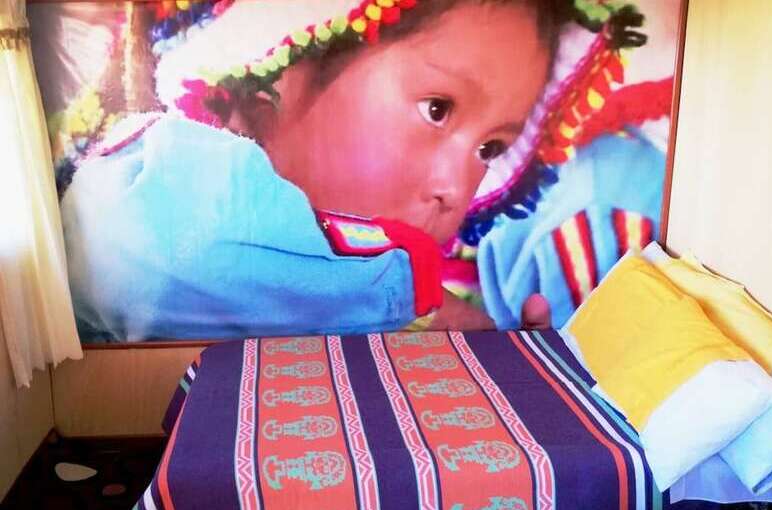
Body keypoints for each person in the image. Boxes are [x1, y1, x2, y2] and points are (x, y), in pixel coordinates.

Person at [61, 0, 573, 341]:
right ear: (277, 72)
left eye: (490, 148)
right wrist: (414, 312)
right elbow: (140, 266)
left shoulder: (413, 299)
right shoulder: (169, 174)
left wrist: (498, 376)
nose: (454, 190)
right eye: (436, 109)